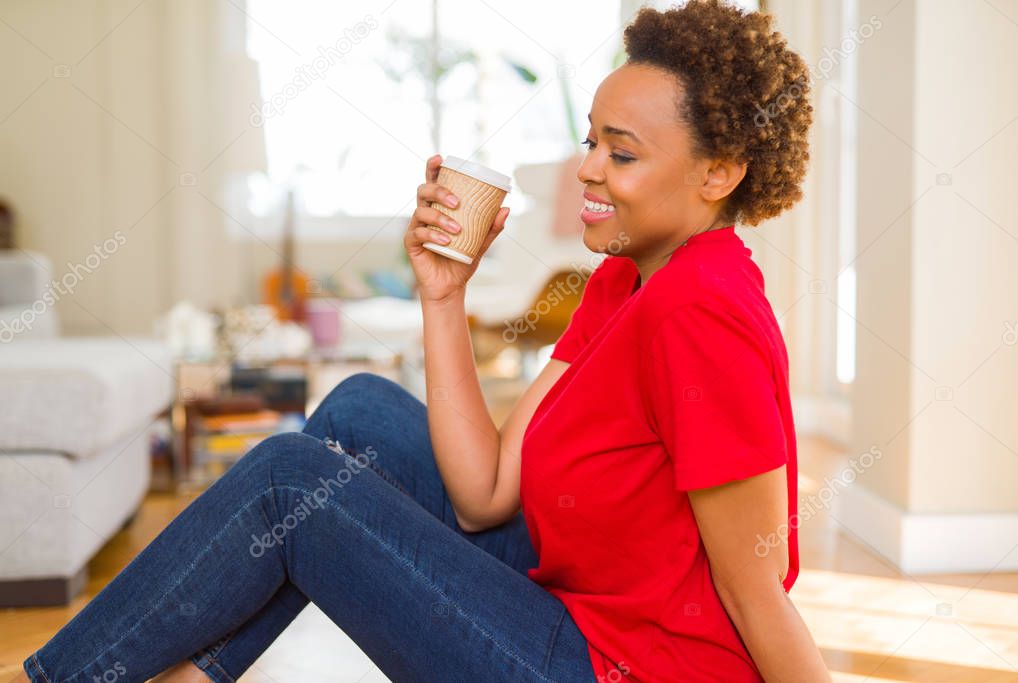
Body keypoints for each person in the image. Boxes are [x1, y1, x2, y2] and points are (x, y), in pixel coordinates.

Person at [15, 1, 830, 680]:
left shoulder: (703, 313)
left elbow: (757, 589)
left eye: (621, 153)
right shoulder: (625, 278)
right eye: (592, 140)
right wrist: (445, 295)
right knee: (361, 409)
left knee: (289, 482)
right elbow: (486, 493)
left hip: (612, 666)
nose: (586, 170)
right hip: (568, 599)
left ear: (719, 172)